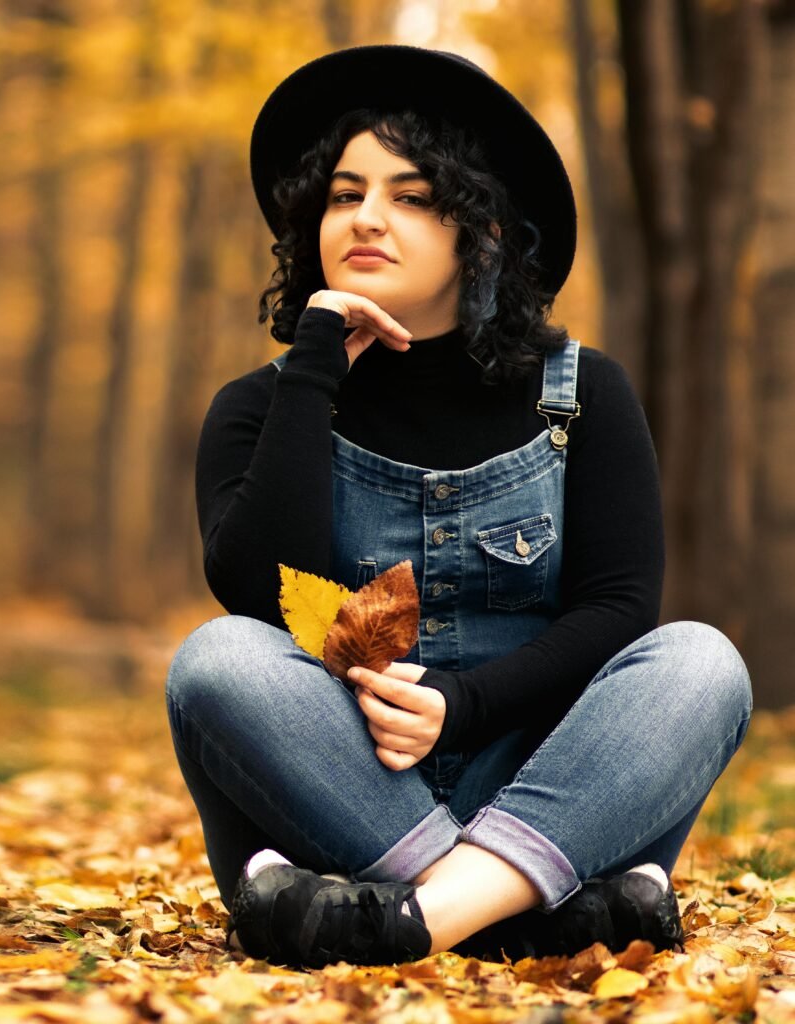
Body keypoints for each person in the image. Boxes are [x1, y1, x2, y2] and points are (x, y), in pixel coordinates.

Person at [164, 44, 752, 971]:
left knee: (700, 662)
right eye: (345, 194)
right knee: (217, 658)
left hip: (543, 781)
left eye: (411, 196)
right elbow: (259, 594)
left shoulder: (583, 393)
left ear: (480, 229)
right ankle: (525, 912)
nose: (367, 218)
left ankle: (416, 919)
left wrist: (460, 703)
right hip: (340, 787)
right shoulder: (260, 407)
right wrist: (316, 365)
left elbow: (618, 608)